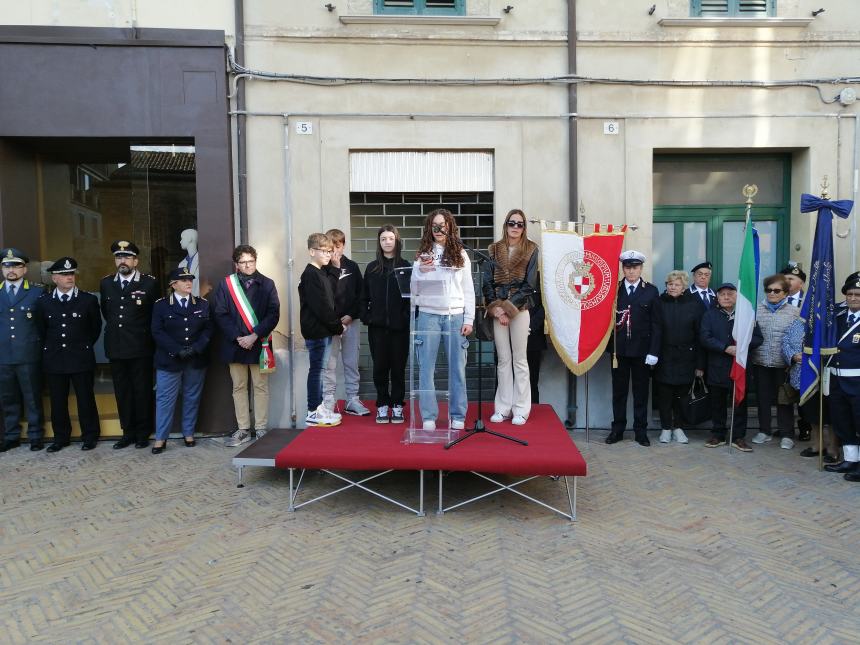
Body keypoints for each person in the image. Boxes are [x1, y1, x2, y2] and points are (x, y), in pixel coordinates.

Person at [410, 209, 475, 432]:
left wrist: (469, 318)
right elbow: (412, 289)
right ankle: (428, 416)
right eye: (435, 225)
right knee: (426, 368)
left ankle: (458, 414)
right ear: (430, 228)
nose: (439, 229)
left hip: (455, 316)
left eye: (443, 225)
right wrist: (420, 271)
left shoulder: (462, 254)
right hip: (428, 315)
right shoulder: (423, 254)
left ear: (450, 227)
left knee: (457, 368)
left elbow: (468, 289)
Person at [213, 245, 281, 446]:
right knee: (239, 387)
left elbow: (273, 313)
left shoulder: (267, 284)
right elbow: (220, 313)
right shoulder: (226, 285)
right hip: (235, 345)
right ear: (236, 265)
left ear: (255, 261)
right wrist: (238, 337)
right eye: (243, 262)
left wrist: (254, 336)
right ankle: (243, 428)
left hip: (259, 343)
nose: (248, 265)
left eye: (251, 261)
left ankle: (260, 428)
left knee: (260, 387)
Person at [37, 257, 102, 452]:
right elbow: (41, 330)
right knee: (58, 401)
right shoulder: (44, 302)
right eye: (64, 274)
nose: (69, 277)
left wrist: (81, 345)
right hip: (55, 358)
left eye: (71, 274)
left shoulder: (88, 300)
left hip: (80, 357)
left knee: (85, 399)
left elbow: (95, 329)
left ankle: (90, 436)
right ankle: (61, 437)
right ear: (54, 277)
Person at [100, 240, 159, 450]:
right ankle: (128, 432)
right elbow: (107, 313)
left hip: (140, 346)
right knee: (122, 391)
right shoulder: (107, 283)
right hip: (116, 346)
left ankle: (143, 432)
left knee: (141, 390)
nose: (122, 261)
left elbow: (155, 315)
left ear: (136, 260)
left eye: (126, 257)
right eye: (118, 257)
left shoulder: (149, 283)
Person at [482, 209, 539, 425]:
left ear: (524, 228)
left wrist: (507, 309)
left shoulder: (532, 249)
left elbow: (529, 285)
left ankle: (521, 409)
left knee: (520, 360)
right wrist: (496, 308)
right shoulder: (493, 249)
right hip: (497, 310)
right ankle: (502, 407)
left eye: (520, 224)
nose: (515, 227)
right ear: (505, 225)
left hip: (520, 309)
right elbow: (487, 282)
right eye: (511, 223)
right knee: (503, 360)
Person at [150, 268, 213, 454]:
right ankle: (161, 437)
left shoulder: (202, 304)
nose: (188, 282)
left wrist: (197, 348)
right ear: (173, 284)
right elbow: (157, 331)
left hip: (195, 358)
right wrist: (177, 350)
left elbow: (209, 329)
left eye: (190, 279)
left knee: (191, 397)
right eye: (183, 280)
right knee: (164, 399)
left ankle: (189, 433)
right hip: (169, 359)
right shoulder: (161, 305)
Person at [606, 250, 661, 447]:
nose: (631, 271)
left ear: (641, 269)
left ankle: (641, 431)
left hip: (642, 352)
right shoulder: (614, 289)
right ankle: (617, 430)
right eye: (628, 267)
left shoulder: (651, 291)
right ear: (623, 269)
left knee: (641, 393)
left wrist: (654, 351)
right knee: (619, 393)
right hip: (618, 351)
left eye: (635, 267)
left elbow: (656, 324)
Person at [700, 283, 763, 452]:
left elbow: (758, 339)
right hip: (717, 367)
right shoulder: (709, 315)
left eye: (730, 294)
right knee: (717, 404)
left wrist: (742, 346)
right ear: (717, 298)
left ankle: (738, 437)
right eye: (722, 295)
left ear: (737, 297)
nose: (726, 297)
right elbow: (705, 338)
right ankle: (718, 434)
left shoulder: (747, 316)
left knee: (739, 403)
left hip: (740, 367)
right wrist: (725, 348)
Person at [361, 225, 411, 424]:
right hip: (378, 329)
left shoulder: (406, 266)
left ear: (397, 241)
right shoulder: (372, 268)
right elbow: (363, 297)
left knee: (398, 368)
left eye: (391, 238)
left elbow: (411, 298)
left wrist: (405, 318)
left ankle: (397, 405)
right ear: (379, 242)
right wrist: (368, 317)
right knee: (380, 367)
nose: (387, 242)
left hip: (400, 329)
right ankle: (382, 404)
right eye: (383, 239)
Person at [0, 248, 46, 452]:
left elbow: (43, 324)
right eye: (6, 265)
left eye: (16, 265)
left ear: (24, 269)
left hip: (28, 352)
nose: (11, 270)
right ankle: (12, 435)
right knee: (8, 397)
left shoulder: (37, 291)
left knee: (32, 396)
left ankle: (36, 434)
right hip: (3, 355)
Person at [322, 228, 369, 418]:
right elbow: (321, 298)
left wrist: (350, 315)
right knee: (329, 365)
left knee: (351, 362)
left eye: (338, 246)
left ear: (343, 245)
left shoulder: (352, 266)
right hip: (329, 324)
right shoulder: (323, 268)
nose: (335, 251)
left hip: (350, 322)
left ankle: (352, 399)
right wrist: (333, 320)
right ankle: (328, 402)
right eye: (331, 247)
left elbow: (361, 295)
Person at [299, 233, 344, 427]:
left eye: (330, 251)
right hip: (317, 330)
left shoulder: (321, 272)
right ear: (311, 251)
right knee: (317, 370)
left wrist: (335, 268)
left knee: (321, 369)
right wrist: (337, 325)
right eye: (323, 251)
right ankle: (313, 411)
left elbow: (331, 294)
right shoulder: (310, 274)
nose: (328, 254)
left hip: (324, 330)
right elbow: (321, 306)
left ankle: (319, 408)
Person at [654, 270, 704, 444]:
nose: (673, 287)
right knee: (664, 395)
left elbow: (700, 335)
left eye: (677, 284)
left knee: (682, 397)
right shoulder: (659, 302)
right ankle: (666, 428)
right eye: (670, 284)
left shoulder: (694, 304)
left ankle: (679, 428)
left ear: (684, 287)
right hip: (664, 357)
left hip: (686, 358)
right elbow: (655, 330)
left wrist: (700, 364)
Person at [750, 274, 799, 449]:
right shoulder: (757, 309)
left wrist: (793, 356)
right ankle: (764, 431)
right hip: (760, 361)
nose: (772, 293)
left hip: (783, 364)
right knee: (763, 399)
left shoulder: (794, 312)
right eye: (768, 290)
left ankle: (787, 433)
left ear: (785, 293)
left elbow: (799, 337)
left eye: (776, 290)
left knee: (784, 400)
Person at [781, 317, 836, 463]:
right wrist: (793, 355)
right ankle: (818, 445)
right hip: (804, 375)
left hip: (827, 374)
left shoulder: (831, 320)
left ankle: (833, 447)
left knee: (831, 413)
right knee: (811, 412)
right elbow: (785, 341)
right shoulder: (798, 322)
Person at [824, 274, 860, 481]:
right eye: (850, 294)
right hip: (837, 379)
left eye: (858, 295)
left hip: (857, 381)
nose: (853, 298)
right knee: (843, 421)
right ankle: (850, 460)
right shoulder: (837, 316)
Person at [781, 262, 811, 441]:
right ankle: (785, 428)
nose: (787, 282)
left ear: (801, 283)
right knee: (784, 394)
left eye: (791, 279)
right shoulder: (777, 297)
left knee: (803, 394)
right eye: (784, 279)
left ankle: (805, 427)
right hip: (782, 353)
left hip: (801, 356)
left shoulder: (809, 302)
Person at [526, 274, 547, 404]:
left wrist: (529, 326)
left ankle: (533, 409)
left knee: (532, 380)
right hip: (511, 333)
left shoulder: (541, 278)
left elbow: (546, 305)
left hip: (533, 337)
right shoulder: (512, 274)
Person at [178, 228, 200, 297]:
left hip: (200, 303)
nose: (180, 241)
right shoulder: (181, 264)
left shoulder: (203, 260)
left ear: (190, 239)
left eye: (182, 238)